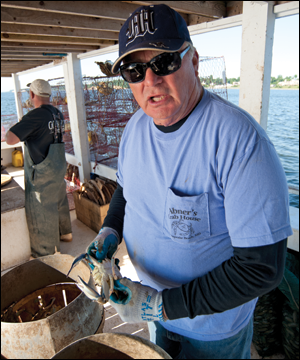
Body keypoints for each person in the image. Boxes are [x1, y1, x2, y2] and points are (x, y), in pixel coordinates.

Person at [86, 4, 293, 359]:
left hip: (213, 328)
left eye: (164, 63)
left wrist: (161, 305)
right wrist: (110, 230)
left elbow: (263, 268)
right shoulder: (135, 129)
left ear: (193, 62)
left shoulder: (240, 142)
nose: (150, 81)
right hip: (152, 308)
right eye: (135, 70)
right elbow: (126, 190)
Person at [6, 79, 72, 258]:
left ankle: (44, 251)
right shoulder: (57, 113)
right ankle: (65, 232)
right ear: (48, 95)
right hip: (58, 165)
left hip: (43, 169)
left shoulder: (34, 116)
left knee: (40, 208)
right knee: (59, 199)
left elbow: (10, 138)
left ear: (32, 95)